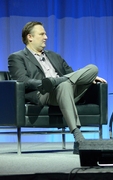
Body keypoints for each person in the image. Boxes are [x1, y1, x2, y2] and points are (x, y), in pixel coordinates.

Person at [8, 21, 107, 154]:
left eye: (46, 34)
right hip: (44, 93)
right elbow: (22, 80)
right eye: (42, 34)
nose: (46, 37)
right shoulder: (17, 57)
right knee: (64, 84)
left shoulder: (54, 56)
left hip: (66, 90)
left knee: (92, 68)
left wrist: (87, 77)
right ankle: (79, 138)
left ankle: (56, 81)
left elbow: (72, 74)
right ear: (30, 37)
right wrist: (45, 83)